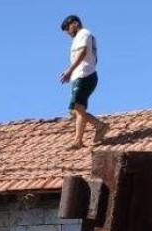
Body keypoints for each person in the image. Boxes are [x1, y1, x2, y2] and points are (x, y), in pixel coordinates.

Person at [59, 15, 109, 149]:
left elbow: (82, 53)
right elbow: (93, 58)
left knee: (78, 108)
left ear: (75, 23)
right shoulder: (81, 37)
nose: (68, 33)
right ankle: (99, 125)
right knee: (73, 110)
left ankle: (78, 141)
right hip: (82, 75)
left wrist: (70, 70)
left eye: (68, 29)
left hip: (84, 75)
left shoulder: (84, 34)